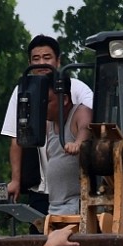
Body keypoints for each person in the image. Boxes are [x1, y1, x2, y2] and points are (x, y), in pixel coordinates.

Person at [2, 35, 94, 214]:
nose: (41, 64)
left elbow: (88, 125)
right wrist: (16, 180)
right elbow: (16, 137)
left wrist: (77, 143)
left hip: (76, 194)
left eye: (47, 57)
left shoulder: (78, 90)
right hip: (44, 190)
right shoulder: (23, 93)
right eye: (36, 59)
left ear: (58, 61)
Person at [45, 79, 92, 215]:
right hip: (54, 204)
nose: (42, 107)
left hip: (76, 203)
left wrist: (77, 143)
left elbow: (85, 129)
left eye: (47, 102)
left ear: (64, 99)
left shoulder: (81, 112)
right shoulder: (49, 124)